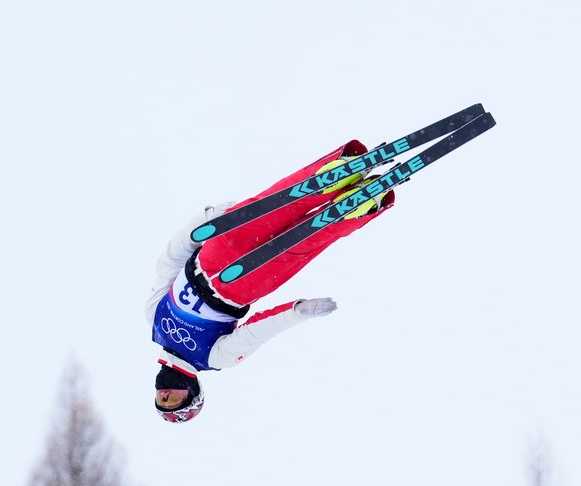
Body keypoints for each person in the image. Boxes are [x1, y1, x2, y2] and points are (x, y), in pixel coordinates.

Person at [146, 139, 395, 423]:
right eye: (173, 401)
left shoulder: (153, 319)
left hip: (214, 252)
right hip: (241, 285)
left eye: (160, 400)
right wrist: (296, 312)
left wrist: (200, 225)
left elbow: (169, 262)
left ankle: (337, 171)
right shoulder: (213, 359)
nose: (165, 395)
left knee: (279, 202)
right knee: (301, 243)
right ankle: (356, 206)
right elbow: (256, 331)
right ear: (191, 392)